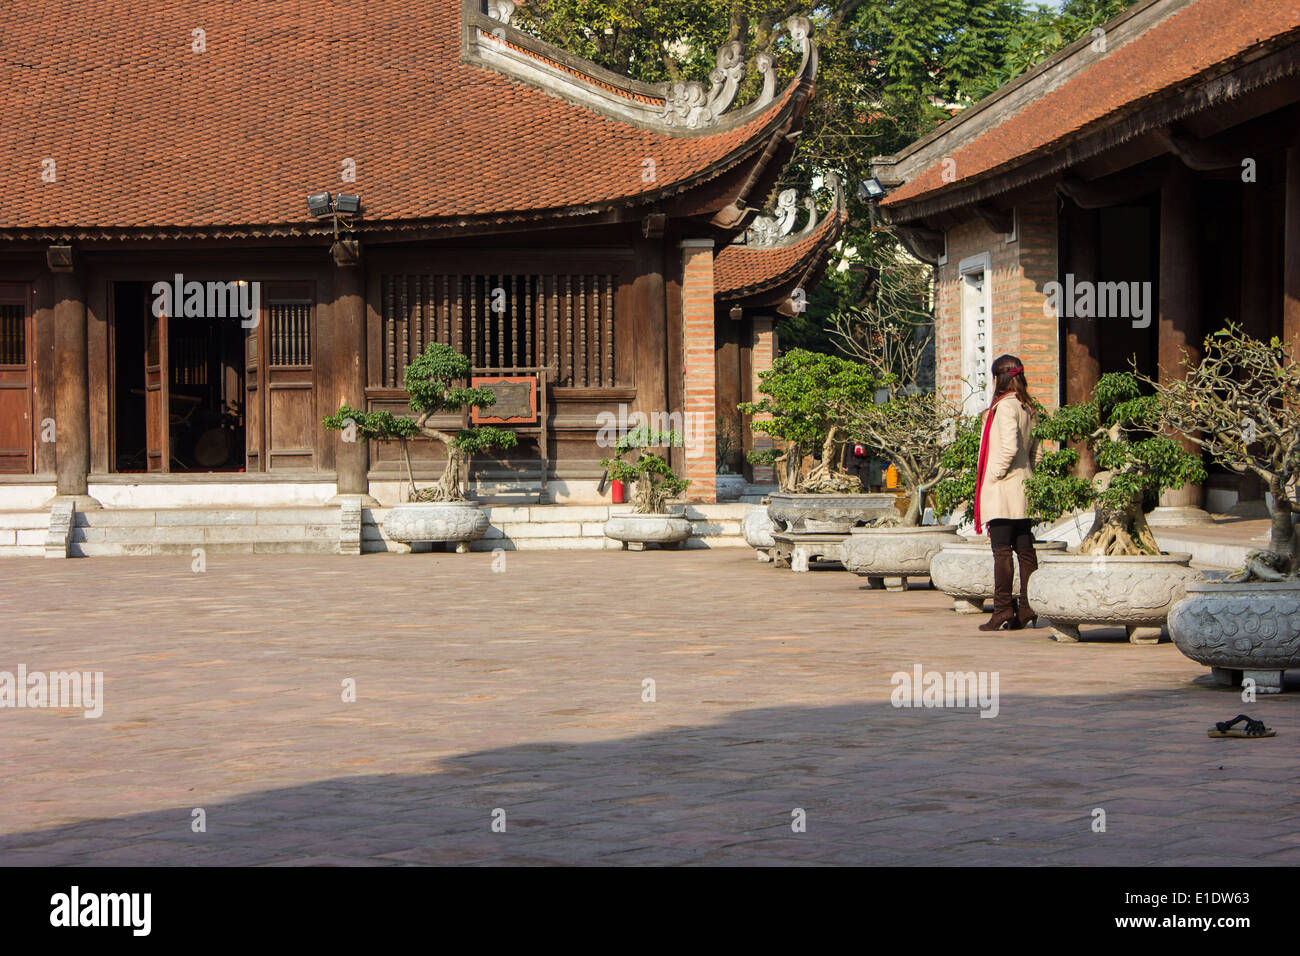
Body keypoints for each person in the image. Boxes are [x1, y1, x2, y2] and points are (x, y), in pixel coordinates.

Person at [973, 355, 1039, 631]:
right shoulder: (1028, 407)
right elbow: (1035, 449)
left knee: (1001, 551)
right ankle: (1027, 606)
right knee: (1024, 550)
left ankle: (1002, 609)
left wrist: (995, 474)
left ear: (999, 378)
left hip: (1003, 488)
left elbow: (1009, 448)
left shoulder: (1006, 407)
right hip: (1023, 485)